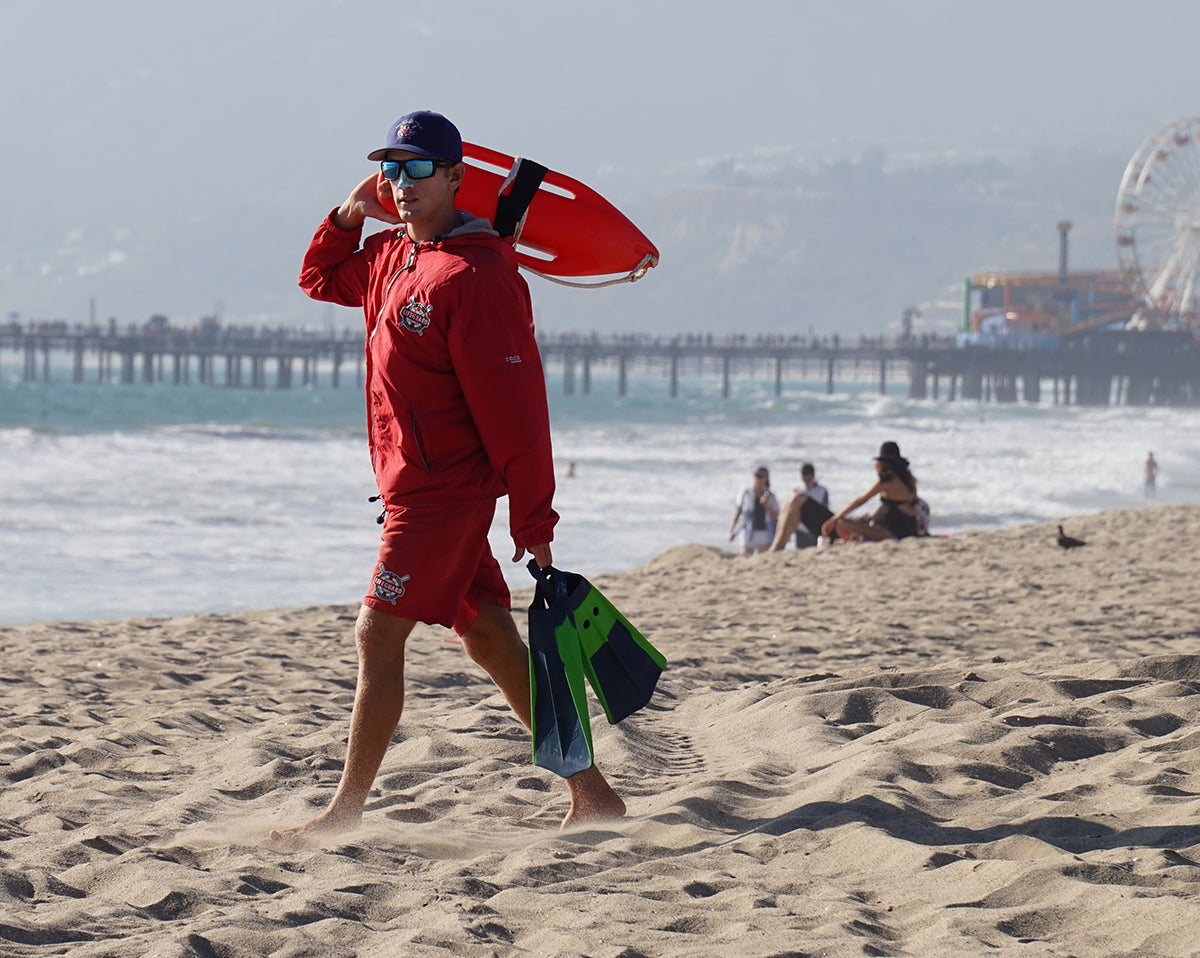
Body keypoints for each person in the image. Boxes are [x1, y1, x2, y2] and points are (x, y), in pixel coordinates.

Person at [273, 110, 624, 844]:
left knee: (376, 634)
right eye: (390, 170)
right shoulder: (389, 258)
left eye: (418, 169)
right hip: (412, 488)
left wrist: (535, 522)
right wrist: (345, 215)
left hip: (444, 496)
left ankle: (345, 813)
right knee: (493, 641)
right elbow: (316, 278)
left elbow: (520, 412)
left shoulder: (480, 275)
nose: (401, 186)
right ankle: (593, 794)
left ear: (458, 178)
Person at [821, 441, 922, 542]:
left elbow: (860, 500)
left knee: (841, 523)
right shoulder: (909, 479)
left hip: (892, 533)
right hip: (908, 529)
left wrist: (834, 519)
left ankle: (850, 542)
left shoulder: (887, 481)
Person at [769, 462, 832, 551]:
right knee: (800, 550)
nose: (807, 483)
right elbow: (790, 512)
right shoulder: (797, 490)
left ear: (813, 476)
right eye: (804, 480)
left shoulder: (822, 490)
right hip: (801, 528)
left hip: (814, 526)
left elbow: (825, 509)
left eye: (809, 480)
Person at [729, 466, 779, 555]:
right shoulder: (746, 492)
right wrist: (732, 530)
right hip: (747, 529)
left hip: (764, 531)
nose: (758, 479)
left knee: (764, 559)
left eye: (761, 477)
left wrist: (766, 506)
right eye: (757, 476)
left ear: (766, 478)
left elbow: (775, 518)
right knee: (745, 557)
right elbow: (737, 512)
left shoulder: (770, 495)